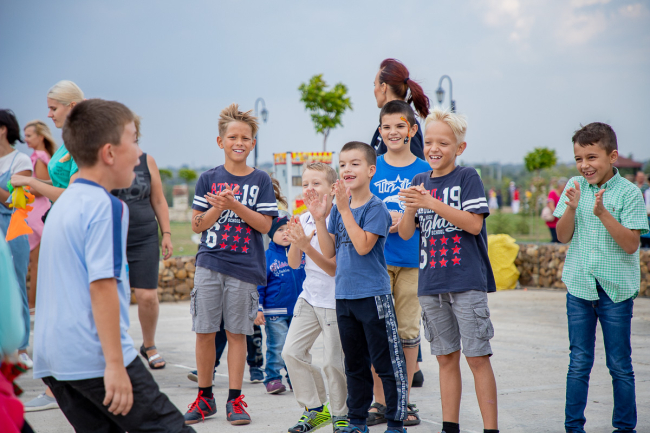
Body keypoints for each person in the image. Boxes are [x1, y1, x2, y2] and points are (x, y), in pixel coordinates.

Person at [32, 98, 193, 432]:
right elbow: (102, 287)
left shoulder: (64, 204)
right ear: (109, 153)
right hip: (94, 356)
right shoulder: (106, 207)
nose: (138, 153)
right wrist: (116, 365)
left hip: (52, 359)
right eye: (133, 140)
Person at [398, 107, 499, 433]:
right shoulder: (419, 181)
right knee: (445, 358)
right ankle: (449, 426)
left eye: (443, 143)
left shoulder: (467, 177)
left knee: (477, 357)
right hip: (431, 284)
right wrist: (410, 208)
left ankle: (491, 429)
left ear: (459, 148)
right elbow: (406, 233)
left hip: (466, 282)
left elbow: (473, 224)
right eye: (429, 142)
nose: (434, 148)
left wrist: (431, 203)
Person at [185, 103, 278, 425]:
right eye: (232, 137)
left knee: (237, 332)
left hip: (244, 267)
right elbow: (197, 224)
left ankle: (235, 400)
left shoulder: (261, 180)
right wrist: (218, 207)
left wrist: (235, 205)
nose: (239, 142)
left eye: (245, 138)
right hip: (209, 263)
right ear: (220, 141)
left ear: (253, 143)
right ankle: (205, 397)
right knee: (204, 331)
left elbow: (265, 226)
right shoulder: (207, 179)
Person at [307, 141, 408, 433]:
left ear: (371, 170)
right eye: (342, 164)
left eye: (355, 163)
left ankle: (396, 422)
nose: (347, 169)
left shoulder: (377, 208)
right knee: (354, 364)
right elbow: (329, 251)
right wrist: (320, 218)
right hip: (344, 297)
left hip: (373, 296)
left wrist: (342, 208)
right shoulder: (340, 209)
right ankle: (357, 420)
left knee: (386, 362)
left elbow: (363, 246)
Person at [554, 122, 648, 433]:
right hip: (580, 288)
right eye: (579, 159)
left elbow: (631, 244)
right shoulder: (574, 186)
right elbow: (563, 235)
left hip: (615, 293)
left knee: (619, 365)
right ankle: (573, 427)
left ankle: (624, 428)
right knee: (578, 363)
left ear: (612, 156)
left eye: (592, 157)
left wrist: (603, 214)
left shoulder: (629, 193)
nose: (585, 165)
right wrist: (571, 209)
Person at [11, 79, 84, 412]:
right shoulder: (70, 141)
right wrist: (32, 187)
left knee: (62, 312)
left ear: (72, 106)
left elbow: (73, 194)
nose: (49, 114)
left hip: (71, 231)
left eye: (53, 108)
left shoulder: (81, 141)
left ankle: (58, 390)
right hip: (58, 226)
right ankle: (58, 387)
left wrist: (30, 181)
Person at [367, 100, 430, 427]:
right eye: (387, 127)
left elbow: (431, 214)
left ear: (412, 130)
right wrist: (380, 220)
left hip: (412, 263)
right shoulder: (371, 167)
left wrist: (408, 219)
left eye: (400, 126)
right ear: (380, 131)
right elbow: (357, 206)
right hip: (374, 263)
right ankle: (380, 401)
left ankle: (402, 401)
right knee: (377, 333)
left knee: (407, 333)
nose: (393, 132)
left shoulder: (424, 170)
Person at [283, 162, 349, 433]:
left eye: (316, 183)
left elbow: (333, 267)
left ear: (332, 189)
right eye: (305, 184)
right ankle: (316, 408)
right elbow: (293, 262)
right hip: (309, 298)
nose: (309, 188)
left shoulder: (340, 218)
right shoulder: (302, 218)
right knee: (291, 352)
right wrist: (296, 243)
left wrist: (306, 246)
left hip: (335, 301)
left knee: (333, 363)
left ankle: (341, 414)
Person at [111, 116, 173, 370]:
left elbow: (158, 200)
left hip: (144, 236)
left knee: (147, 296)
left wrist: (166, 233)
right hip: (111, 236)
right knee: (114, 296)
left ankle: (149, 346)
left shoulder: (147, 161)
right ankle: (116, 348)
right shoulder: (105, 161)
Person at [255, 216, 305, 394]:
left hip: (300, 311)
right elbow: (259, 286)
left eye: (288, 229)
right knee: (277, 346)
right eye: (280, 230)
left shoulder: (302, 253)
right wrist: (258, 309)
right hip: (275, 312)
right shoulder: (266, 257)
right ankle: (273, 378)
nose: (285, 233)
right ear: (271, 234)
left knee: (297, 348)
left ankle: (295, 379)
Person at [0, 110, 33, 371]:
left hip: (12, 229)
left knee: (16, 285)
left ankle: (21, 348)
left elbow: (14, 201)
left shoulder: (21, 160)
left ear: (3, 129)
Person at [23, 120, 56, 311]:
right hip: (37, 211)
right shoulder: (42, 157)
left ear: (40, 137)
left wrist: (23, 186)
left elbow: (42, 187)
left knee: (35, 264)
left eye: (29, 135)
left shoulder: (40, 158)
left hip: (37, 212)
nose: (25, 139)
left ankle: (33, 303)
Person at [371, 58, 429, 160]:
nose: (374, 90)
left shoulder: (406, 126)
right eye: (387, 127)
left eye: (374, 85)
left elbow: (415, 166)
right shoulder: (397, 124)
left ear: (383, 87)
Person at [546, 177, 567, 243]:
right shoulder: (553, 193)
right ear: (560, 185)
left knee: (560, 239)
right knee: (555, 238)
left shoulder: (564, 195)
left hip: (561, 221)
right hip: (553, 220)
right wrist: (558, 214)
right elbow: (550, 205)